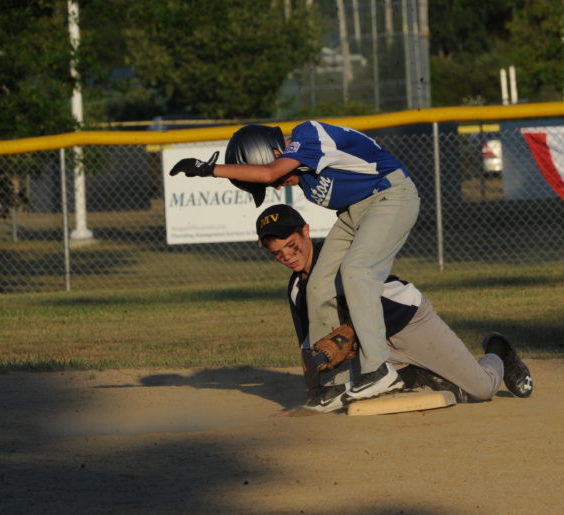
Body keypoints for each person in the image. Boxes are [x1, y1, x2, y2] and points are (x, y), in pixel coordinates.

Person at [170, 122, 420, 401]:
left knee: (356, 272)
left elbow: (268, 172)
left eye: (275, 182)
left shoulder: (310, 134)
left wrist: (207, 169)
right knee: (317, 286)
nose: (277, 186)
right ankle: (333, 386)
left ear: (274, 152)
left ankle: (379, 369)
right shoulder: (307, 179)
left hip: (391, 196)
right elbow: (273, 173)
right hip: (355, 212)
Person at [255, 203, 533, 413]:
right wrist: (314, 398)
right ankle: (415, 374)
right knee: (345, 398)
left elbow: (374, 299)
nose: (288, 257)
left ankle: (498, 349)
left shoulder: (337, 257)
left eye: (291, 245)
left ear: (305, 231)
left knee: (481, 390)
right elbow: (309, 347)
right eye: (278, 253)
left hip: (407, 323)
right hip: (366, 344)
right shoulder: (296, 289)